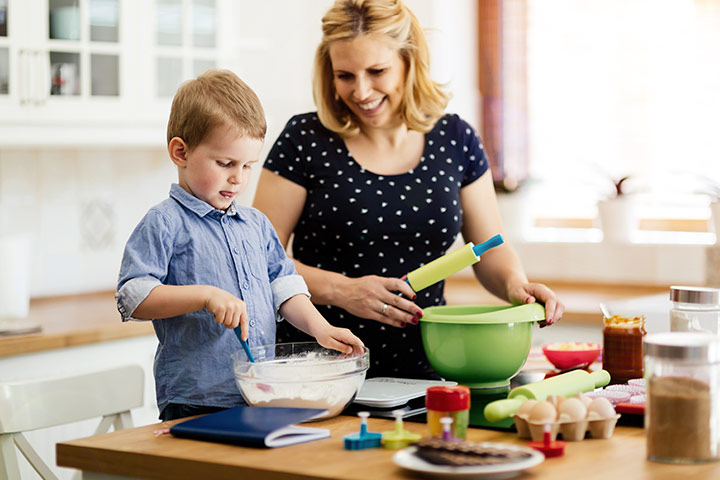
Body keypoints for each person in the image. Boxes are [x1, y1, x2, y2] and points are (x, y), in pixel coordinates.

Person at [253, 0, 565, 379]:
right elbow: (259, 262)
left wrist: (517, 286)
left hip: (431, 368)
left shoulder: (456, 139)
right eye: (345, 75)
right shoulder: (304, 139)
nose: (361, 91)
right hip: (321, 370)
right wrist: (344, 291)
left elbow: (490, 248)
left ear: (409, 61)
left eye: (377, 71)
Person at [116, 69, 364, 421]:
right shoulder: (165, 222)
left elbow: (285, 287)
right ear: (180, 152)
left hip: (260, 394)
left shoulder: (257, 225)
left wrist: (321, 328)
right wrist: (204, 296)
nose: (238, 178)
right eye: (225, 163)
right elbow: (134, 296)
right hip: (196, 400)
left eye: (248, 165)